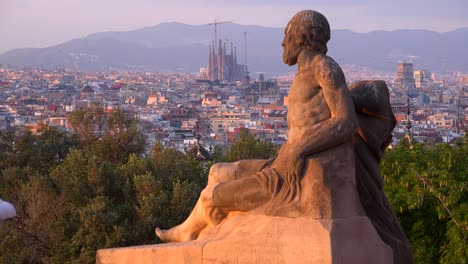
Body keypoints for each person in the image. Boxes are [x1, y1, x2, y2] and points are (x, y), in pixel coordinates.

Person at [155, 10, 358, 243]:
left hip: (287, 175)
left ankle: (206, 237)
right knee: (215, 172)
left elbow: (346, 120)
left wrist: (299, 148)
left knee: (210, 196)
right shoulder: (303, 73)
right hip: (280, 163)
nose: (283, 42)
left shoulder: (323, 68)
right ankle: (191, 231)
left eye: (287, 35)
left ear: (301, 38)